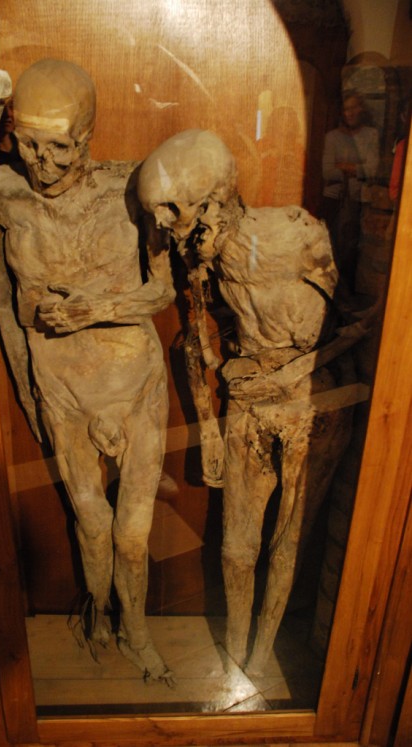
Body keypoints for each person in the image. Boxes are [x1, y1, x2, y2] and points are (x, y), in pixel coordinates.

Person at [138, 129, 369, 674]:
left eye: (176, 213)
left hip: (313, 407)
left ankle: (261, 657)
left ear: (213, 204)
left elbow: (355, 327)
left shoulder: (298, 234)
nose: (169, 230)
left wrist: (287, 374)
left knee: (289, 541)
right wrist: (208, 429)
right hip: (248, 402)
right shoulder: (204, 261)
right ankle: (237, 657)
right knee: (237, 548)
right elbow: (194, 336)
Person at [0, 59, 175, 683]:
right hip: (60, 387)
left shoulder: (133, 187)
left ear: (86, 136)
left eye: (59, 147)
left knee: (132, 535)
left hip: (136, 382)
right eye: (29, 143)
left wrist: (99, 307)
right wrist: (26, 391)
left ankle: (137, 633)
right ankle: (98, 615)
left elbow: (164, 290)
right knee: (91, 522)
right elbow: (6, 309)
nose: (42, 163)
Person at [321, 90, 379, 292]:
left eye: (354, 107)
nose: (350, 113)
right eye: (346, 109)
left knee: (354, 252)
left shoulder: (371, 135)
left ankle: (349, 295)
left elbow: (372, 170)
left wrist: (345, 166)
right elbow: (327, 171)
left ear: (361, 108)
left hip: (360, 202)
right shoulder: (332, 137)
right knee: (334, 248)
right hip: (334, 201)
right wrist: (358, 167)